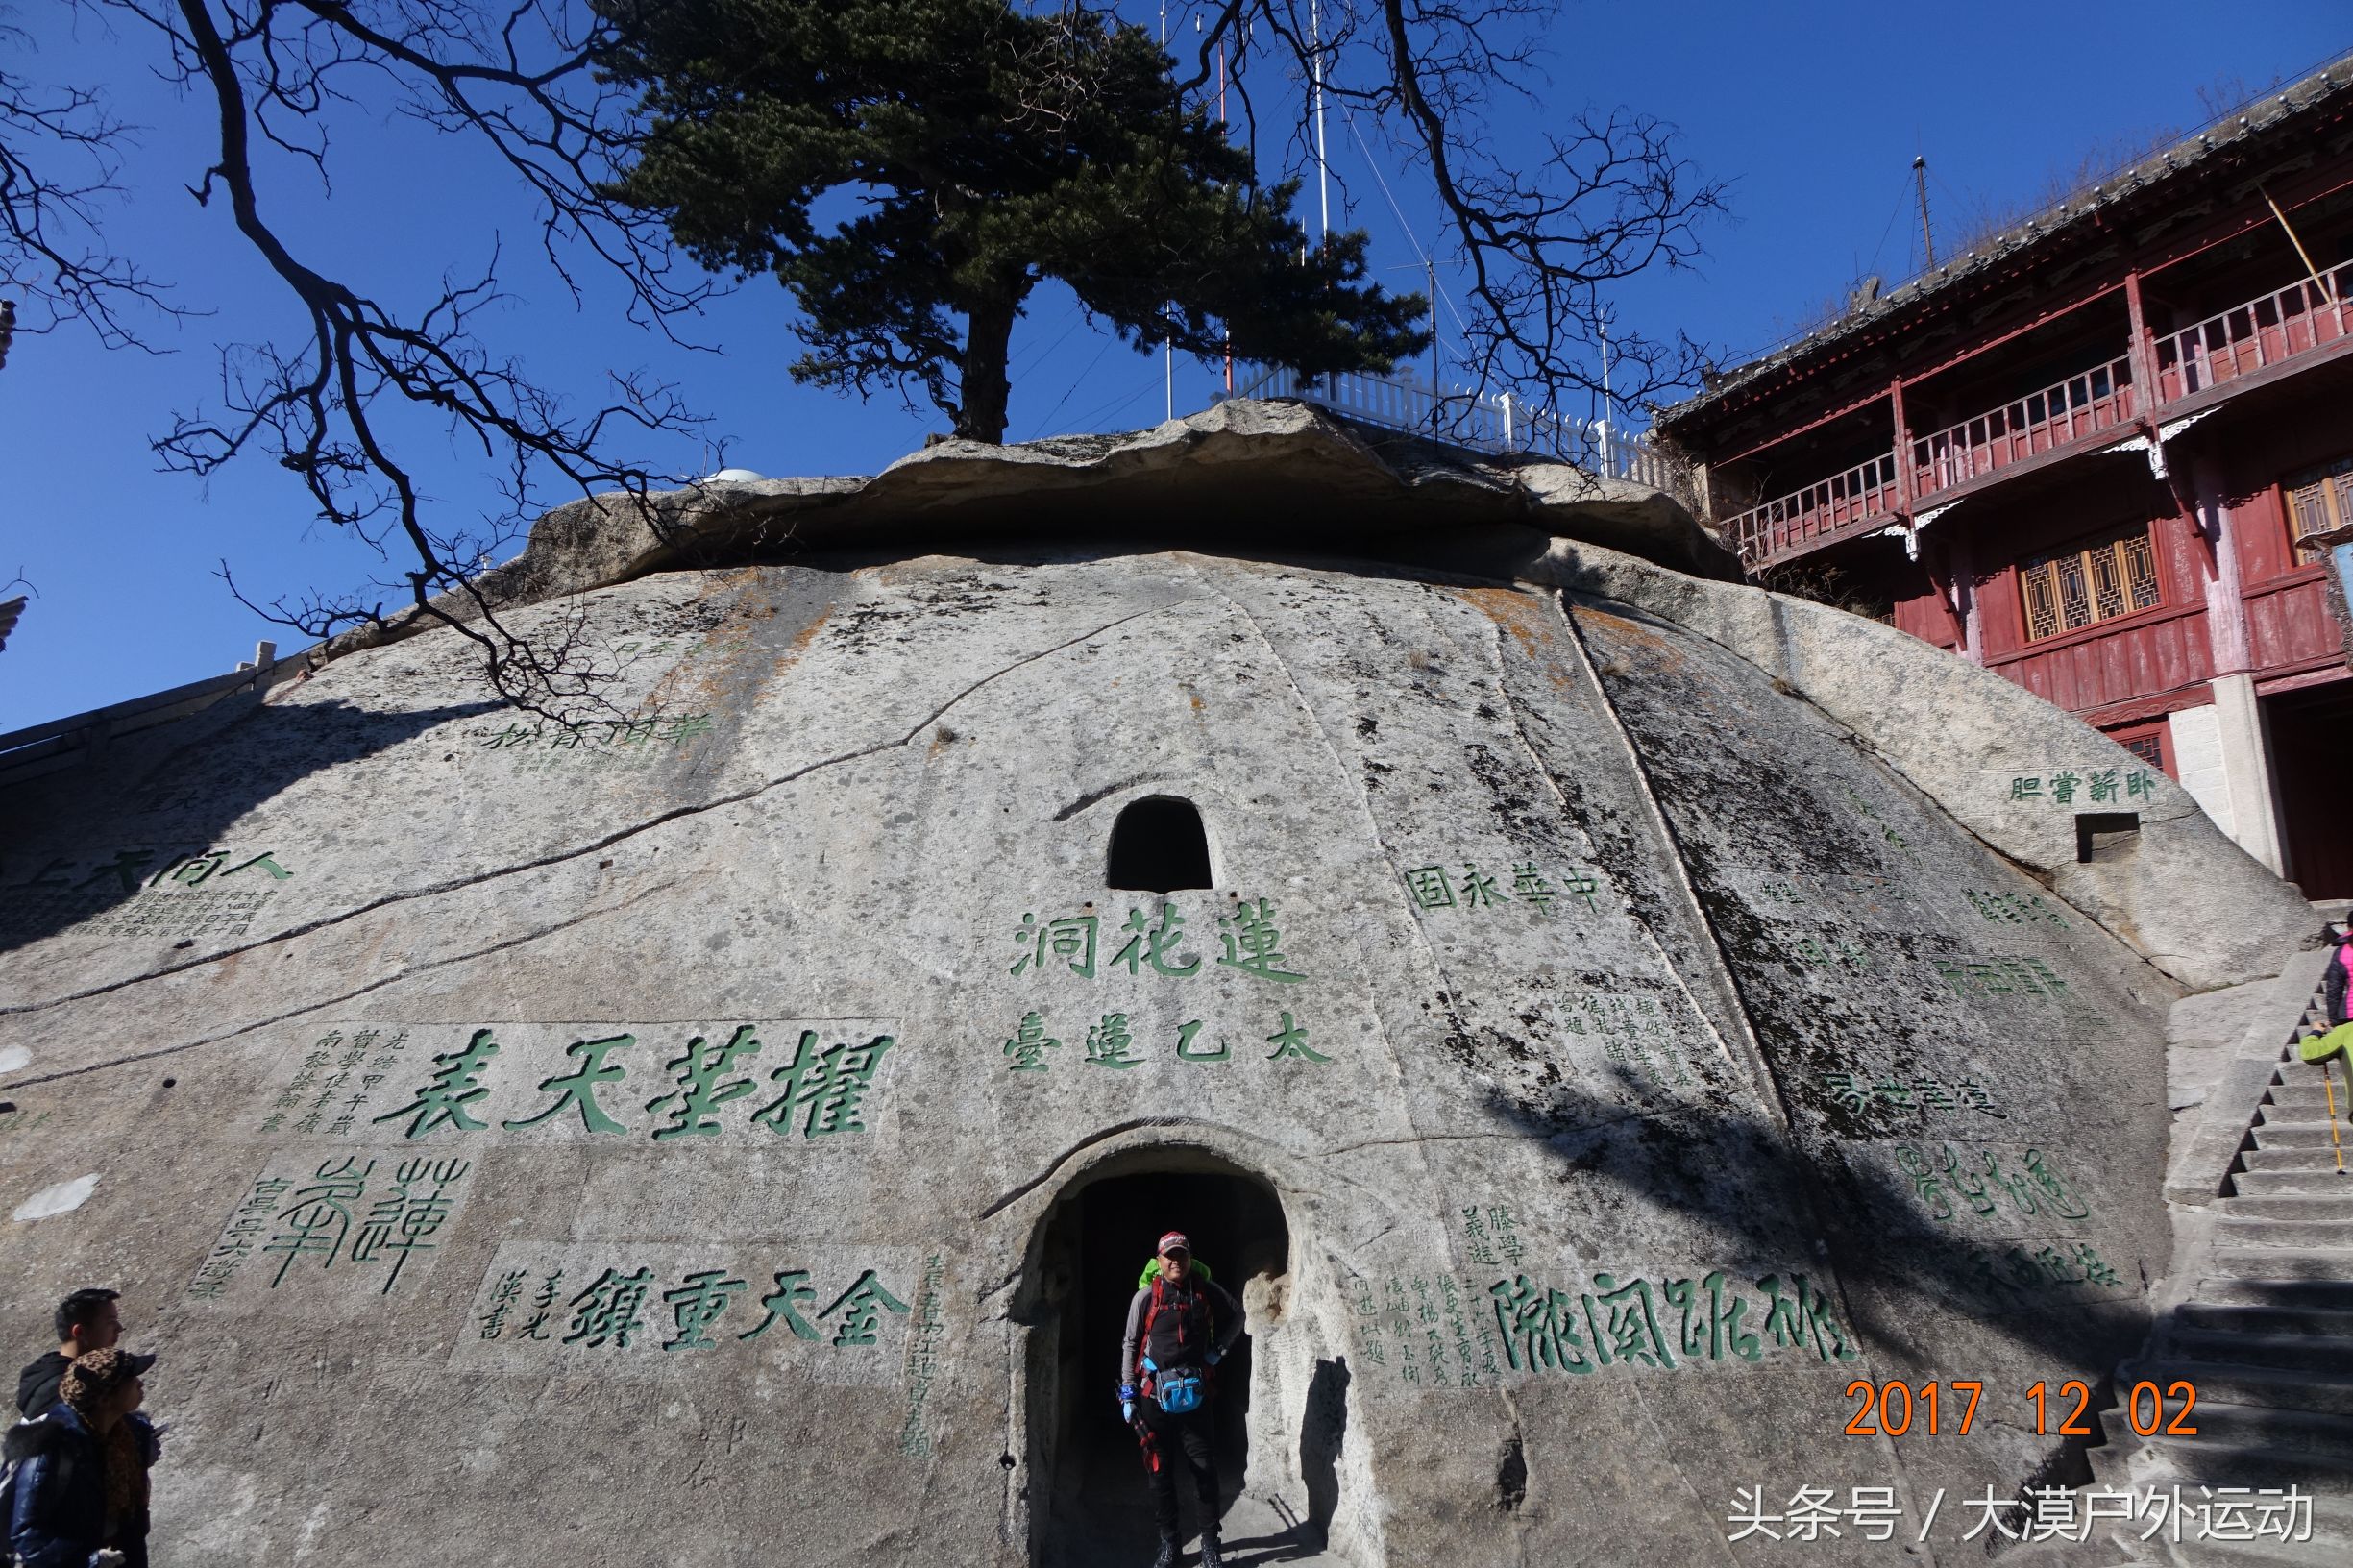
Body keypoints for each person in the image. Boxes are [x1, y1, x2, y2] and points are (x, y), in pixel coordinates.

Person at [1118, 1231, 1245, 1568]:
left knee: (1204, 1469)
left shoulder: (1204, 1292)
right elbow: (1131, 1343)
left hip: (1196, 1395)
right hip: (1153, 1396)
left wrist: (1218, 1352)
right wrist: (1129, 1390)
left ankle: (1209, 1544)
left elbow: (1238, 1316)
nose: (1176, 1261)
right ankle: (1170, 1543)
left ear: (1190, 1259)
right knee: (1159, 1472)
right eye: (1169, 1256)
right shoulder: (1146, 1298)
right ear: (1158, 1262)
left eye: (1182, 1255)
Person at [6, 1347, 158, 1568]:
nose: (140, 1383)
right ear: (105, 1399)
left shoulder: (128, 1434)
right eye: (130, 1378)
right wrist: (88, 1560)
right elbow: (26, 1534)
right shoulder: (53, 1449)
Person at [18, 1290, 124, 1419]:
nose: (119, 1328)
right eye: (110, 1322)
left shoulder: (51, 1377)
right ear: (79, 1332)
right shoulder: (65, 1391)